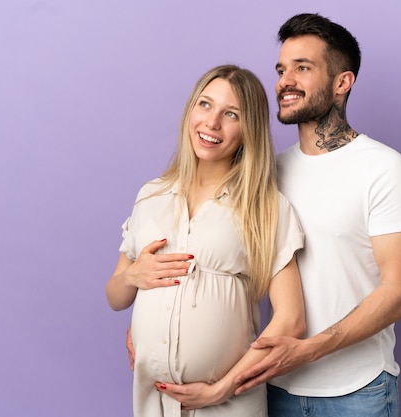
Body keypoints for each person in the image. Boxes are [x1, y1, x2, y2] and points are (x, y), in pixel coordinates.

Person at [226, 13, 401, 416]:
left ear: (342, 82)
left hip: (358, 390)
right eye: (282, 69)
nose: (284, 81)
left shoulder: (384, 168)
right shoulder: (268, 173)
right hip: (274, 386)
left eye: (303, 67)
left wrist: (309, 350)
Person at [106, 64, 306, 417]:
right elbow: (116, 297)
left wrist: (222, 388)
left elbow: (290, 320)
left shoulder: (264, 206)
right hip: (154, 403)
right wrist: (132, 276)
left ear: (249, 130)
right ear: (190, 111)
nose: (212, 123)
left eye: (231, 114)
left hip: (229, 405)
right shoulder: (151, 196)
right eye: (205, 105)